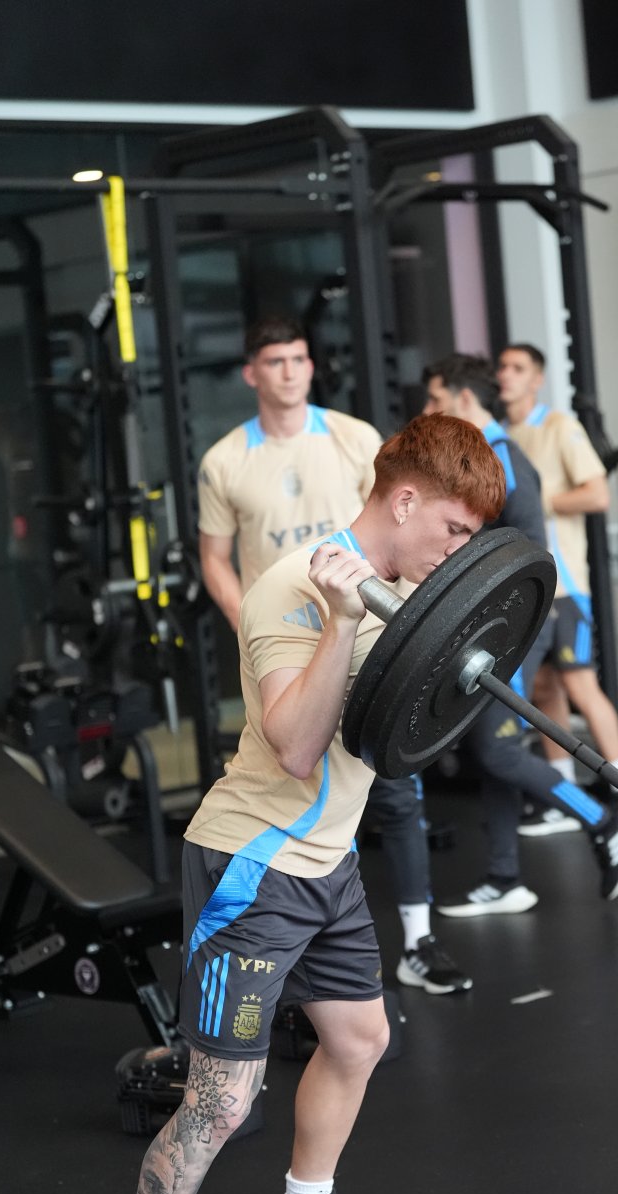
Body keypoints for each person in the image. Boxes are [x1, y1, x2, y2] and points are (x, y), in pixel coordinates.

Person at [94, 414, 506, 1194]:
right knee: (222, 1101)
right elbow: (294, 742)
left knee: (360, 1038)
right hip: (255, 864)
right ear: (404, 501)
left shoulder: (401, 589)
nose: (455, 553)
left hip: (327, 859)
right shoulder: (294, 588)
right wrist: (343, 622)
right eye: (452, 531)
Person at [198, 316, 471, 996]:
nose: (290, 371)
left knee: (390, 786)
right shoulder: (225, 460)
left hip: (369, 629)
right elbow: (214, 559)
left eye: (299, 358)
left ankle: (416, 940)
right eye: (275, 360)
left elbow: (395, 525)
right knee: (296, 774)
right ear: (251, 373)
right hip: (288, 628)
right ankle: (280, 962)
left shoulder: (353, 438)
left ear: (311, 367)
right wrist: (252, 625)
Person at [422, 354, 618, 912]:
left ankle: (600, 815)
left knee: (496, 749)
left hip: (524, 620)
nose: (428, 411)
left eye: (436, 400)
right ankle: (504, 877)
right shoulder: (483, 458)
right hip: (501, 622)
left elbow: (521, 545)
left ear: (465, 401)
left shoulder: (499, 457)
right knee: (491, 744)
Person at [496, 342, 618, 835]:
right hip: (529, 584)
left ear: (536, 379)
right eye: (502, 367)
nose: (506, 375)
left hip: (566, 584)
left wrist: (536, 506)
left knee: (581, 683)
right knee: (544, 689)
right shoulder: (502, 436)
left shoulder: (558, 426)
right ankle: (563, 796)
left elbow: (597, 492)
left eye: (517, 368)